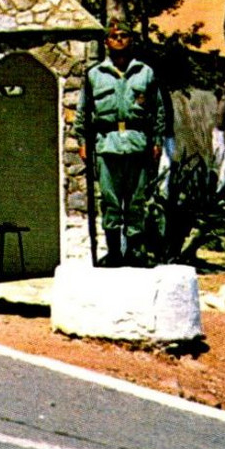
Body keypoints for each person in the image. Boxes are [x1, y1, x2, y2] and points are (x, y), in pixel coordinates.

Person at [77, 19, 169, 266]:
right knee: (110, 201)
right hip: (106, 144)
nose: (119, 39)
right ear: (106, 41)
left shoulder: (145, 73)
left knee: (136, 201)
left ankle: (135, 252)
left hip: (138, 144)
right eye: (114, 35)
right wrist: (82, 141)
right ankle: (115, 252)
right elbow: (83, 112)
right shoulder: (94, 75)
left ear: (132, 40)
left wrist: (157, 141)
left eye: (124, 35)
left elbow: (158, 110)